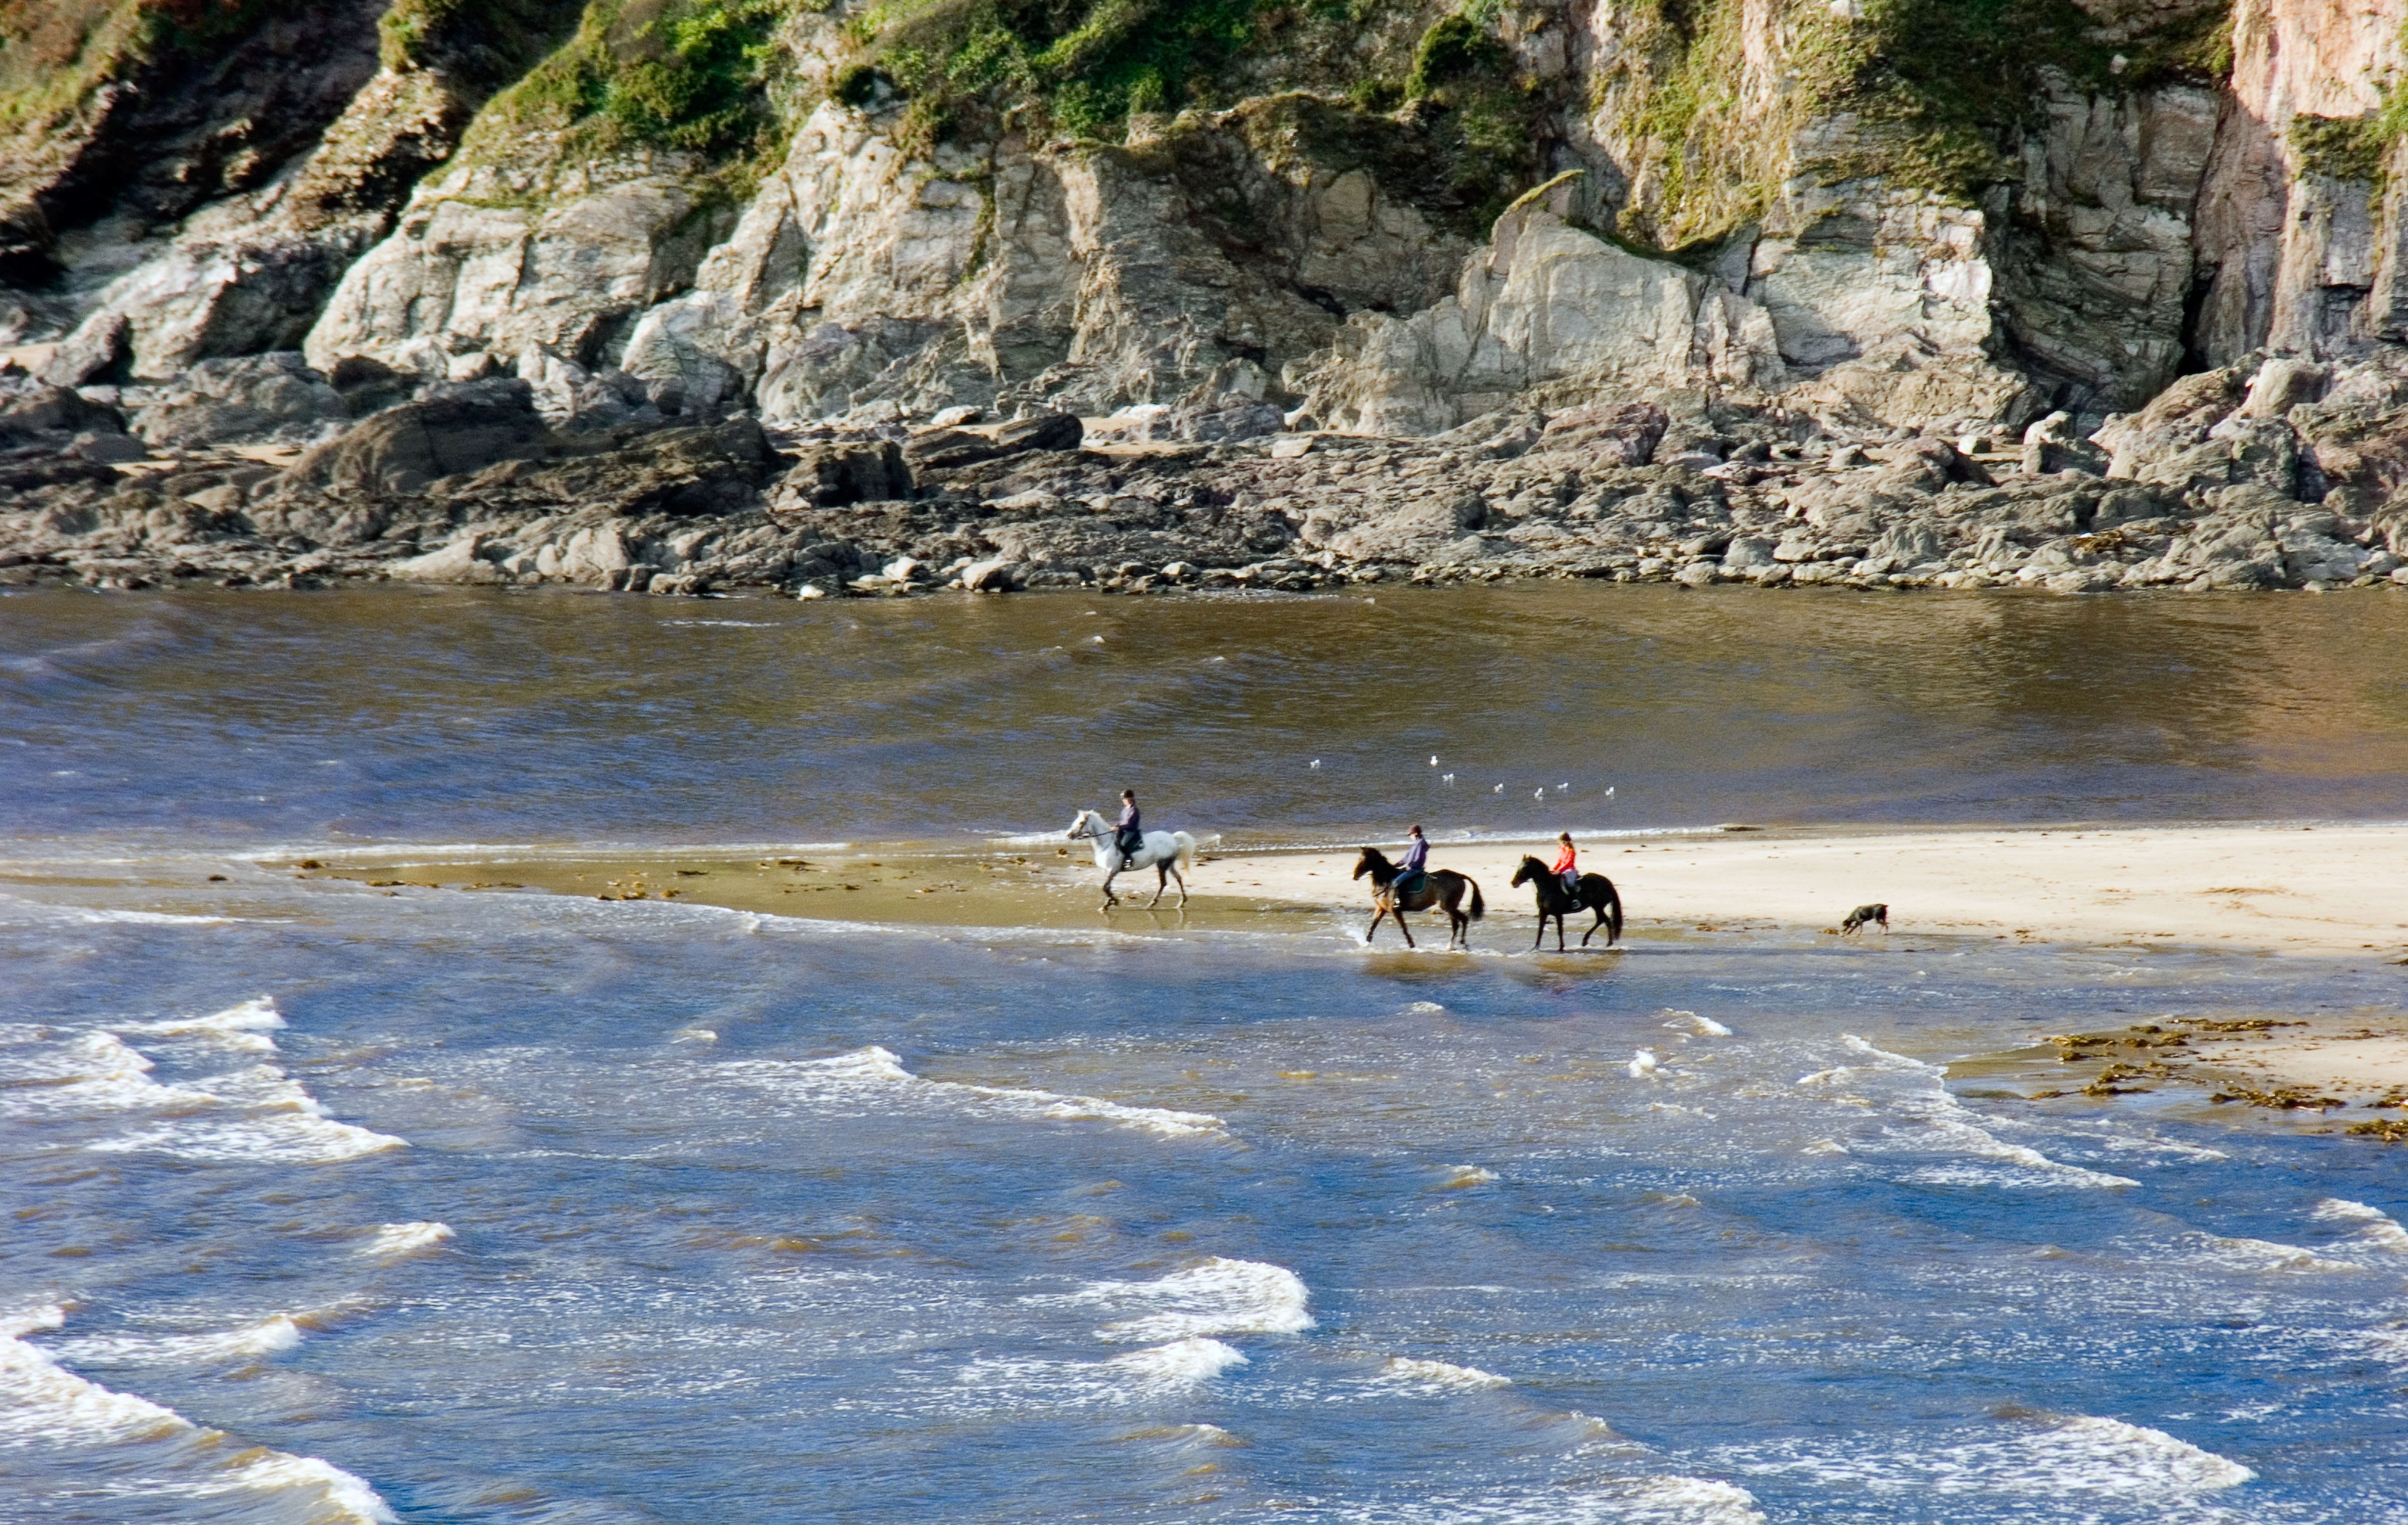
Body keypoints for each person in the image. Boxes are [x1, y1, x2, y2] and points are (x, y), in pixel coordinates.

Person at [1394, 823, 1429, 899]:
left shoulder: (1420, 844)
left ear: (1416, 834)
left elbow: (1418, 859)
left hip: (1415, 869)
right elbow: (1405, 859)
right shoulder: (1416, 844)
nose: (1410, 837)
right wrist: (1394, 866)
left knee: (1396, 882)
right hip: (1411, 868)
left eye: (1410, 835)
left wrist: (1410, 866)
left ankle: (1398, 900)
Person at [1113, 789, 1143, 870]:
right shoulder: (1125, 809)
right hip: (1124, 829)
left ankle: (1129, 860)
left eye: (1125, 799)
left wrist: (1119, 828)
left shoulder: (1134, 810)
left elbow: (1130, 824)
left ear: (1130, 799)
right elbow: (1122, 821)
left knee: (1123, 843)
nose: (1123, 801)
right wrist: (1116, 826)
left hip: (1131, 830)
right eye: (1123, 799)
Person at [1552, 831, 1579, 896]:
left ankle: (1574, 899)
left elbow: (1569, 863)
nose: (1562, 844)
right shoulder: (1560, 850)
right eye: (1562, 842)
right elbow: (1559, 862)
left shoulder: (1571, 851)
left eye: (1564, 842)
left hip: (1570, 870)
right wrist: (1554, 869)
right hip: (1562, 869)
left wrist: (1560, 870)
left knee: (1569, 883)